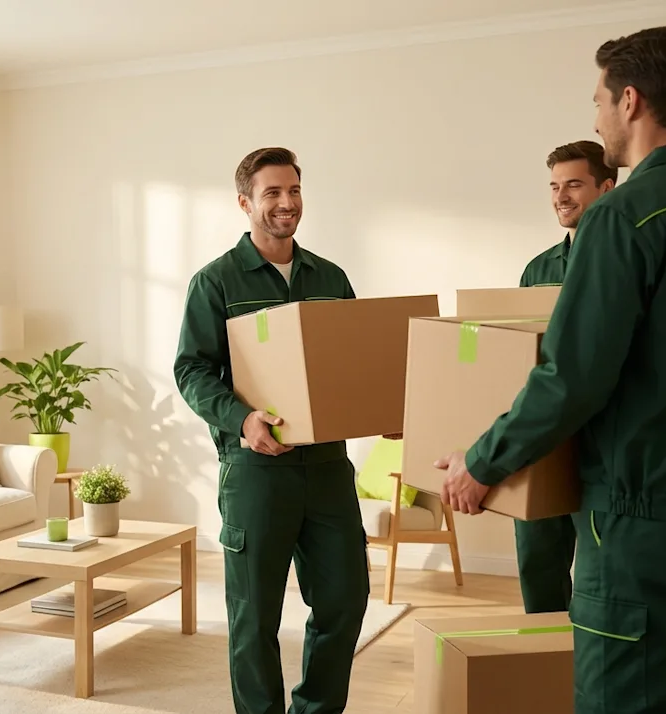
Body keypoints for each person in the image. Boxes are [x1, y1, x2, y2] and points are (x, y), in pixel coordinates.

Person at [434, 26, 666, 714]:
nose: (596, 117)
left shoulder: (622, 218)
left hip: (644, 518)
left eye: (598, 100)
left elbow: (572, 375)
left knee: (627, 700)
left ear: (630, 101)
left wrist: (483, 462)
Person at [173, 147, 368, 714]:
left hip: (329, 467)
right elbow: (192, 369)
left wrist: (386, 408)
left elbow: (355, 363)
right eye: (272, 194)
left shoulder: (331, 278)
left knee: (345, 600)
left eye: (294, 191)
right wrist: (242, 419)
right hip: (257, 470)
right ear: (245, 203)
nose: (287, 204)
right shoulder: (215, 282)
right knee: (254, 616)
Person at [513, 140, 616, 615]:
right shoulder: (537, 269)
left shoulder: (624, 259)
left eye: (574, 184)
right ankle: (545, 673)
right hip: (543, 440)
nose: (561, 196)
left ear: (606, 187)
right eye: (555, 186)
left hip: (605, 445)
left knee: (602, 574)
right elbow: (516, 355)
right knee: (538, 564)